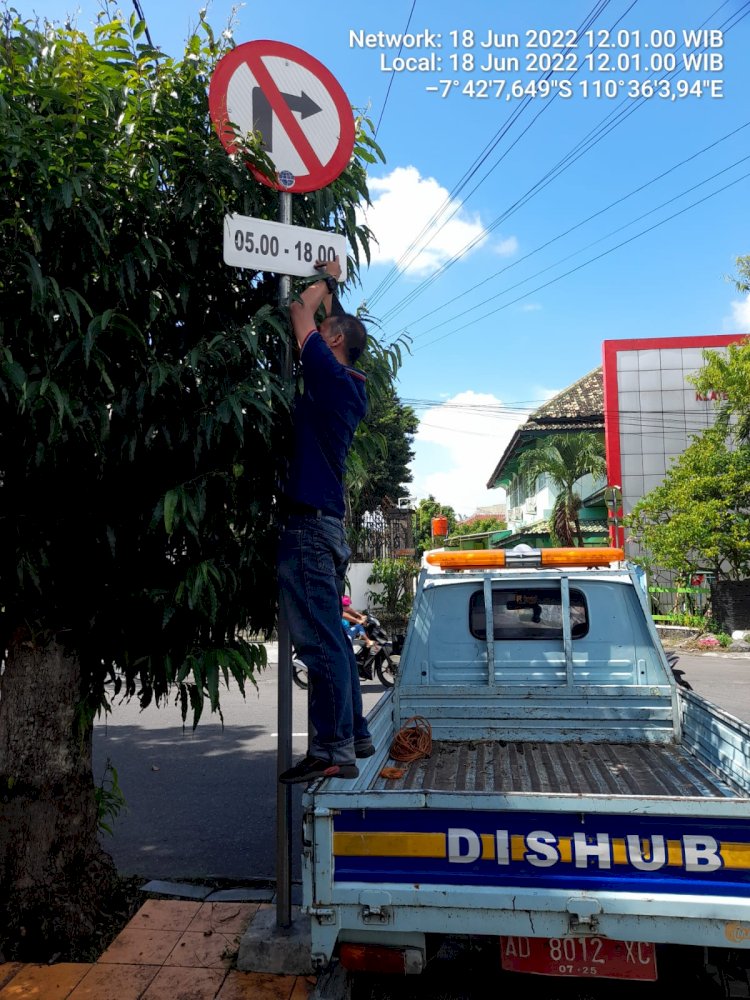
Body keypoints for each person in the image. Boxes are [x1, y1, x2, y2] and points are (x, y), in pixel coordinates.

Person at [277, 256, 375, 784]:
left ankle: (333, 748)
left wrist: (322, 282)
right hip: (327, 524)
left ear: (333, 343)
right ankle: (353, 732)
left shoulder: (330, 377)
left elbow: (299, 311)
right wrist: (333, 289)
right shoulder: (349, 383)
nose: (319, 333)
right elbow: (329, 319)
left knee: (319, 640)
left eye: (326, 333)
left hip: (311, 527)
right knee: (333, 636)